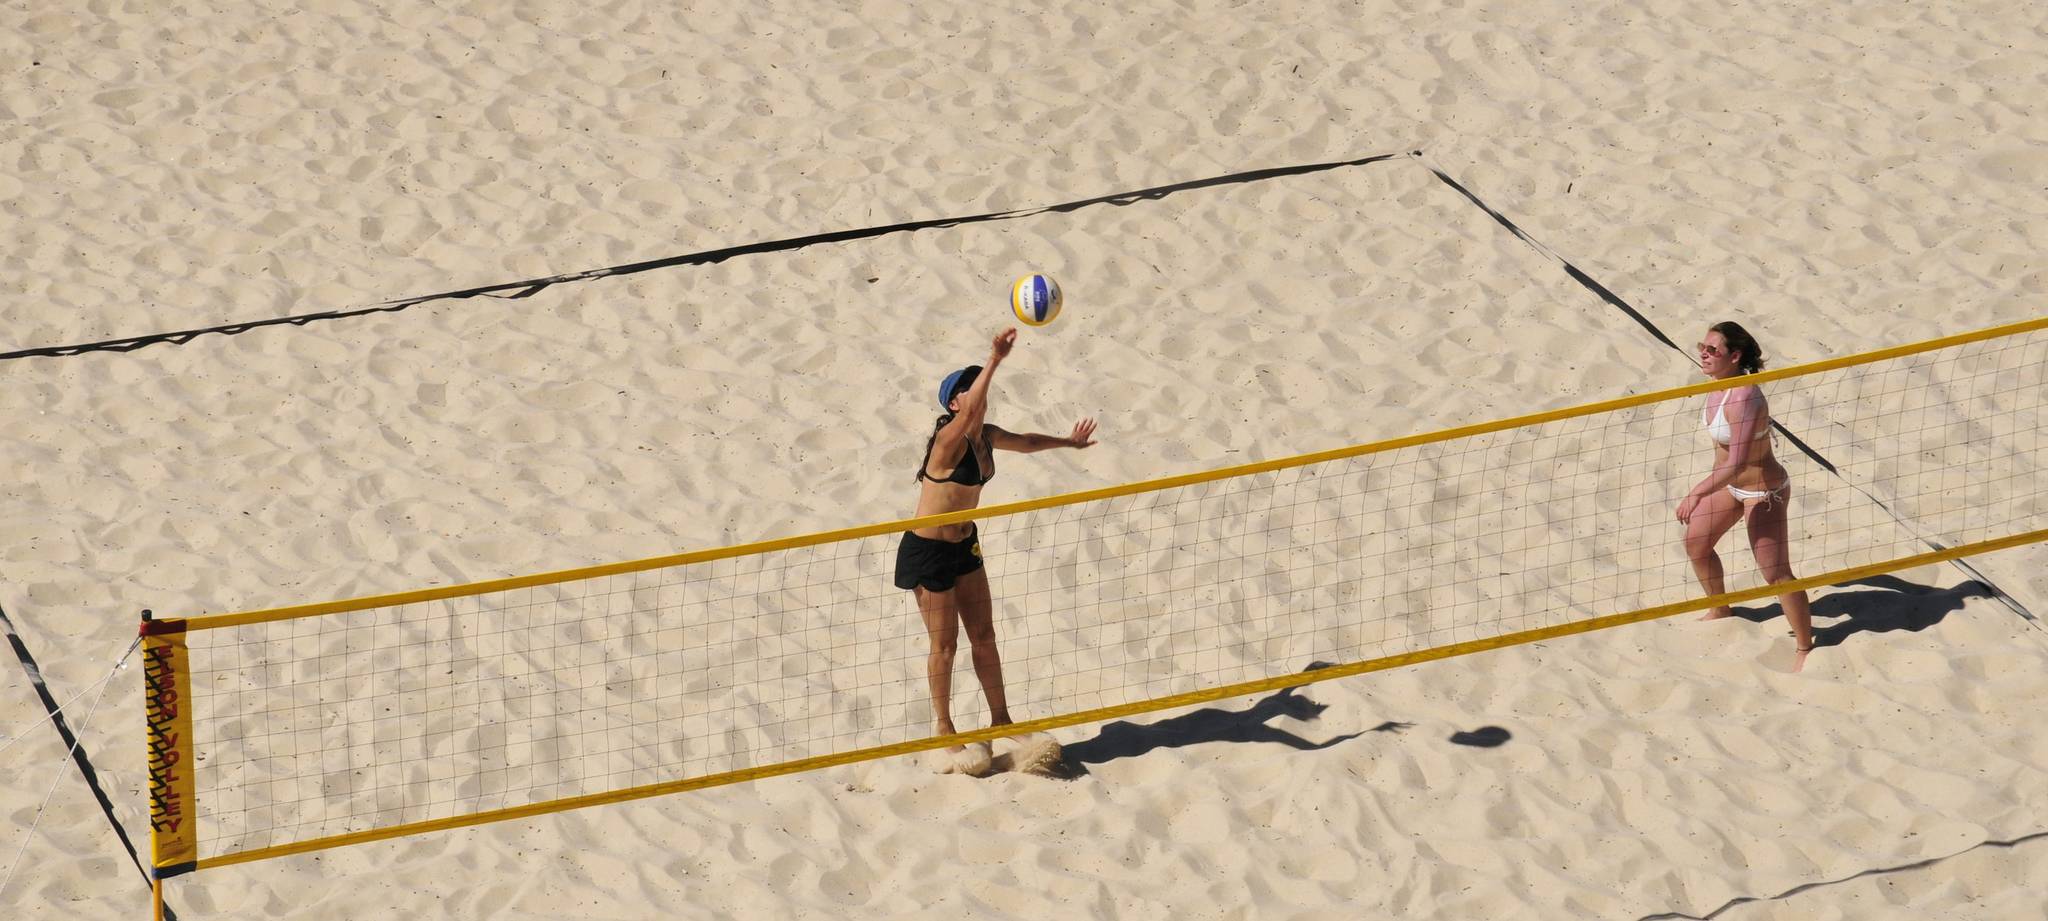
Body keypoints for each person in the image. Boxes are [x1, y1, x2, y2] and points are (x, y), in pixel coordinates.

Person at [895, 327, 1097, 771]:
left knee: (984, 637)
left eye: (977, 386)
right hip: (927, 551)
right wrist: (995, 358)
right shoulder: (948, 440)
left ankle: (1001, 720)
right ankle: (945, 731)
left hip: (963, 545)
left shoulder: (985, 435)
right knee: (945, 646)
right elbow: (973, 407)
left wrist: (1069, 442)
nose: (976, 395)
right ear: (953, 405)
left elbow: (1026, 442)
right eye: (966, 390)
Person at [1675, 321, 1815, 671]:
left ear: (1735, 356)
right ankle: (1720, 607)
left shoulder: (1745, 397)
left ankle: (1804, 646)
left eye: (1713, 350)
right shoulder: (1717, 386)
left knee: (1776, 574)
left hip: (1763, 491)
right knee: (1696, 544)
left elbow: (1737, 462)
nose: (1704, 355)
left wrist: (1696, 492)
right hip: (1729, 487)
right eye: (1702, 347)